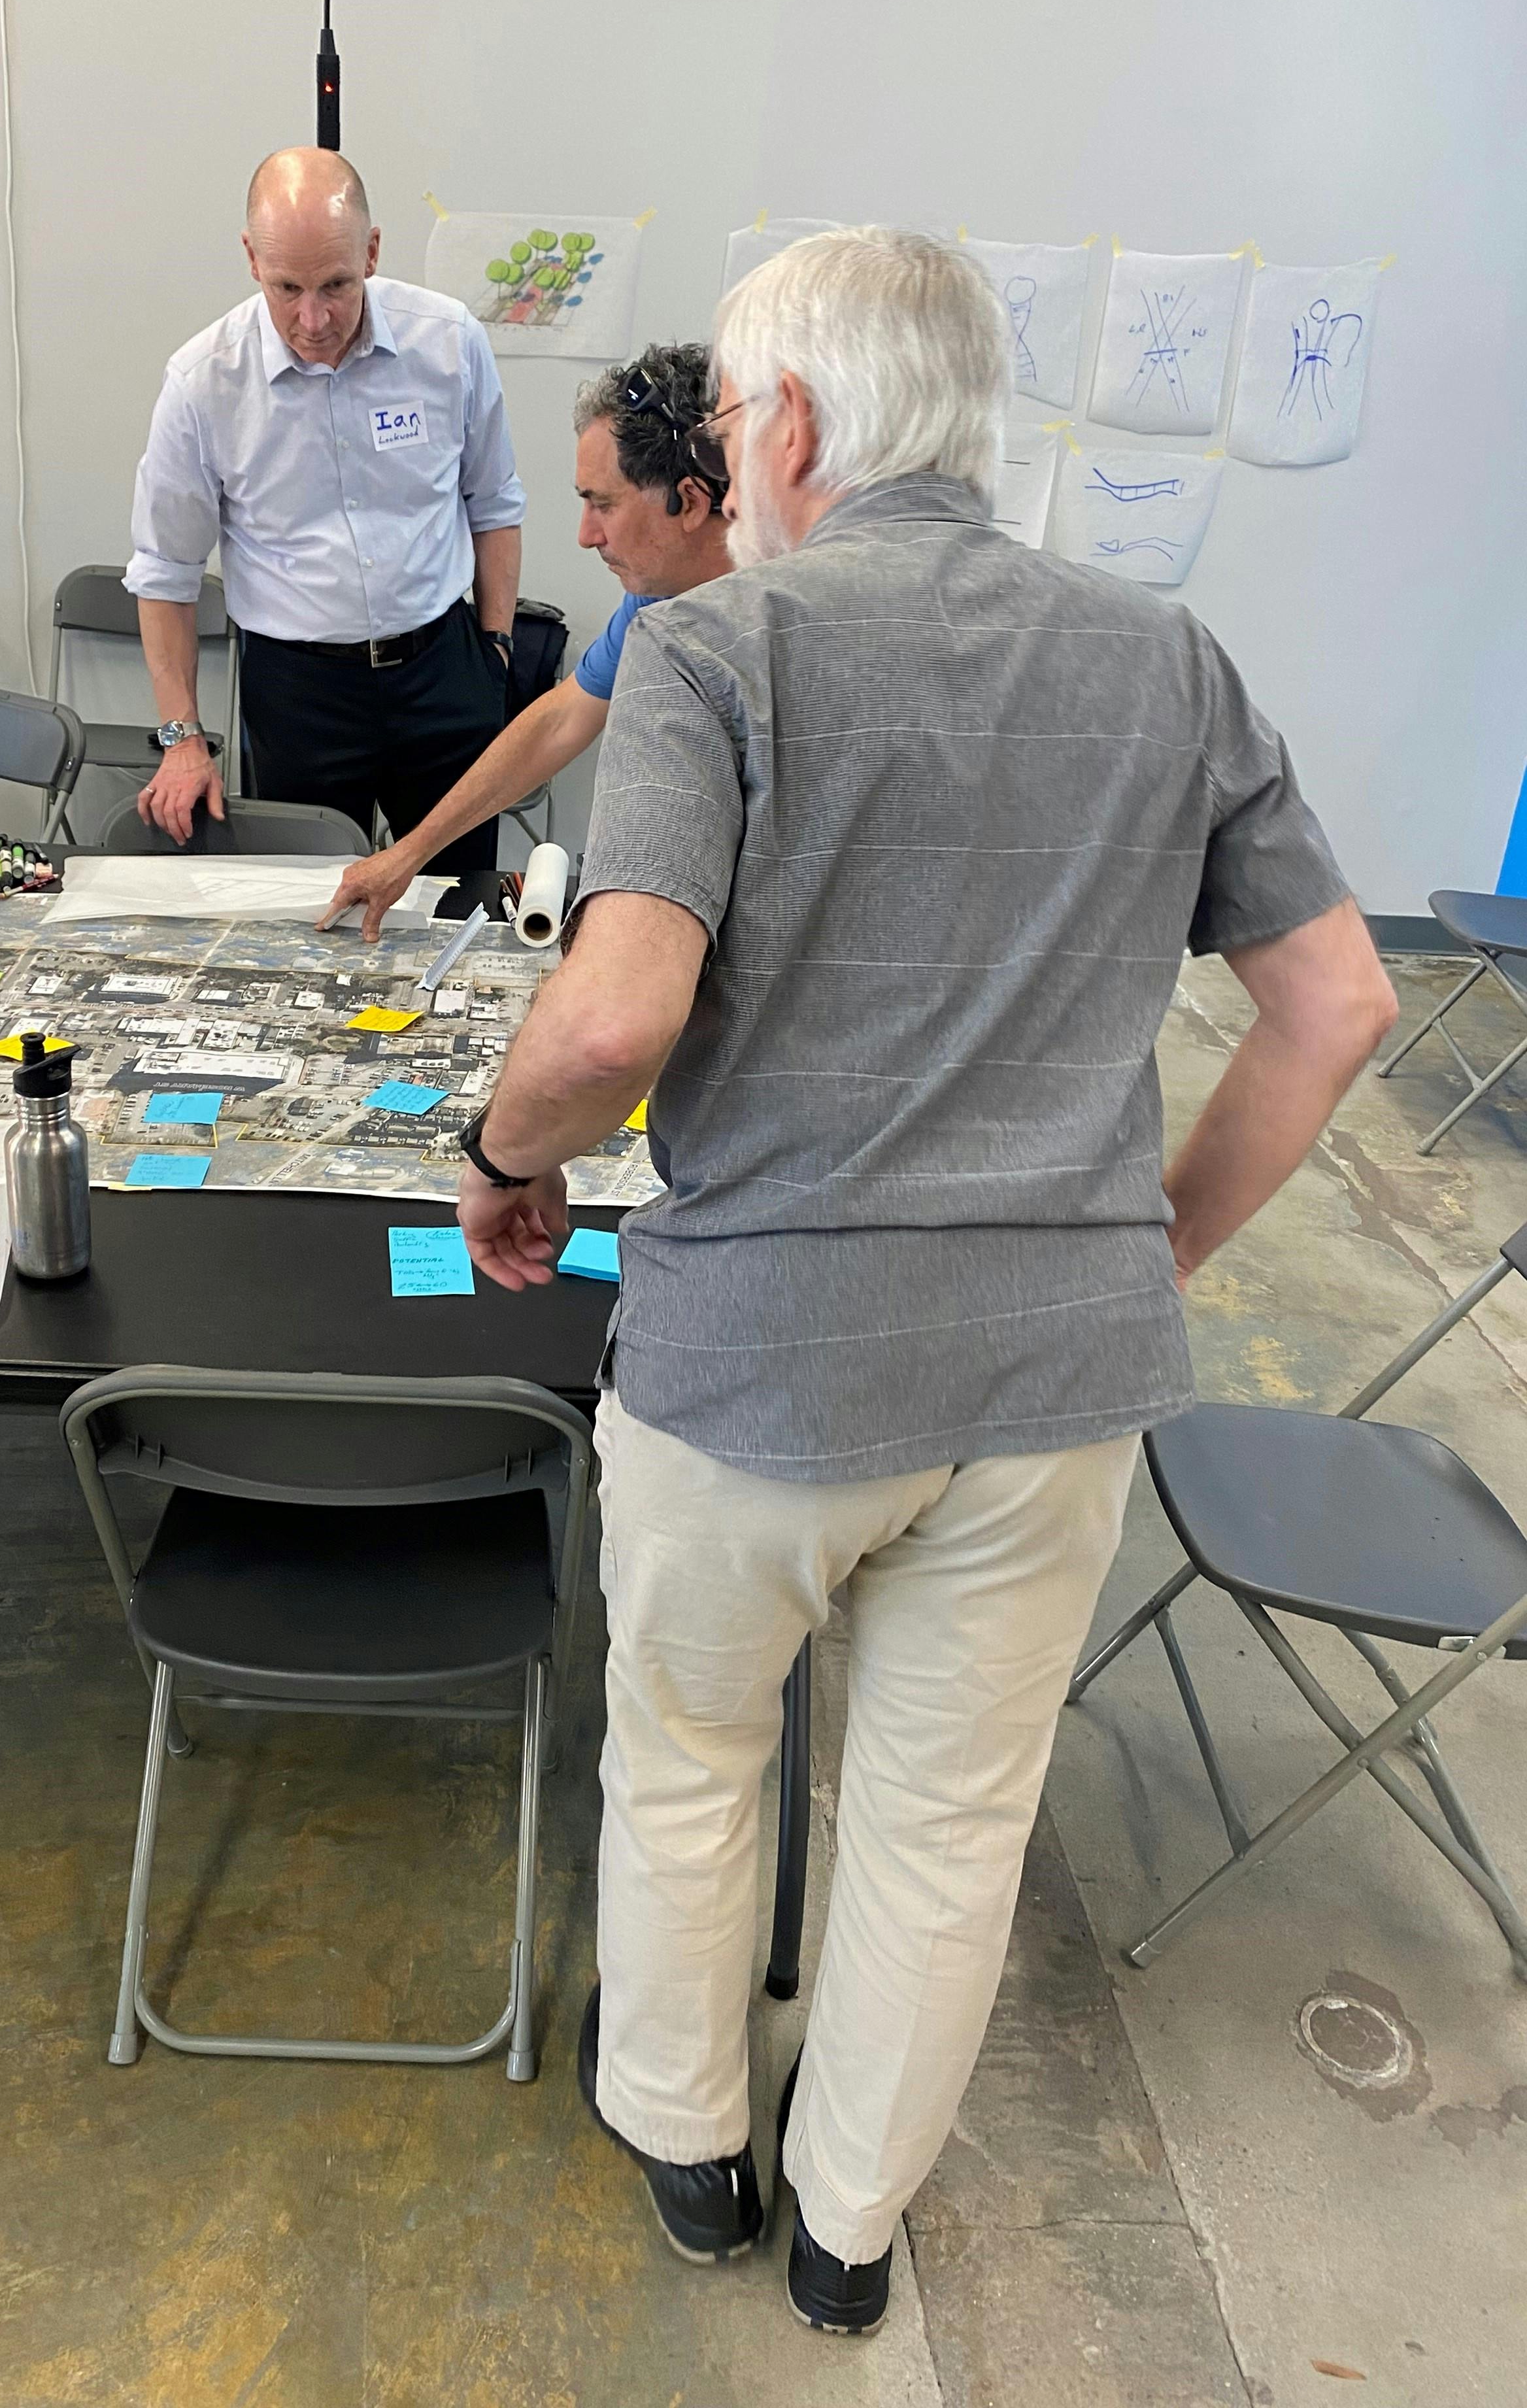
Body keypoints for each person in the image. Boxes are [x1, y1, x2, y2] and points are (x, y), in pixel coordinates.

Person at [452, 229, 1398, 2333]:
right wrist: (1144, 1245)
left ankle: (690, 2146)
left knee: (696, 1759)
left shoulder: (716, 653)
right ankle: (849, 2229)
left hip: (759, 1367)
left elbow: (610, 1029)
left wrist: (502, 1160)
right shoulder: (1170, 658)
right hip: (1050, 1385)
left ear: (787, 427)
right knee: (947, 1823)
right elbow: (1333, 1005)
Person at [124, 148, 525, 863]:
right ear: (251, 260)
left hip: (443, 671)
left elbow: (493, 502)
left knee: (460, 898)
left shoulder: (449, 341)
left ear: (372, 251)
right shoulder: (204, 384)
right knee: (307, 909)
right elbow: (164, 573)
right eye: (287, 288)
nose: (314, 319)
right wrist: (181, 739)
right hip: (299, 694)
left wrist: (495, 651)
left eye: (336, 284)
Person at [320, 344, 734, 940]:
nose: (586, 535)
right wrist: (408, 854)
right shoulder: (660, 593)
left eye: (603, 505)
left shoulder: (793, 609)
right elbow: (560, 719)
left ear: (690, 502)